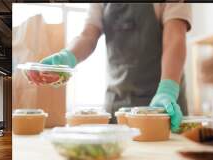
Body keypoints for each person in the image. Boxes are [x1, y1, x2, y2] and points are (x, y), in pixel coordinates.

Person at [28, 3, 192, 133]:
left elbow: (175, 36)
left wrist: (167, 90)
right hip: (117, 105)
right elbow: (88, 36)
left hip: (163, 105)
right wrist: (65, 57)